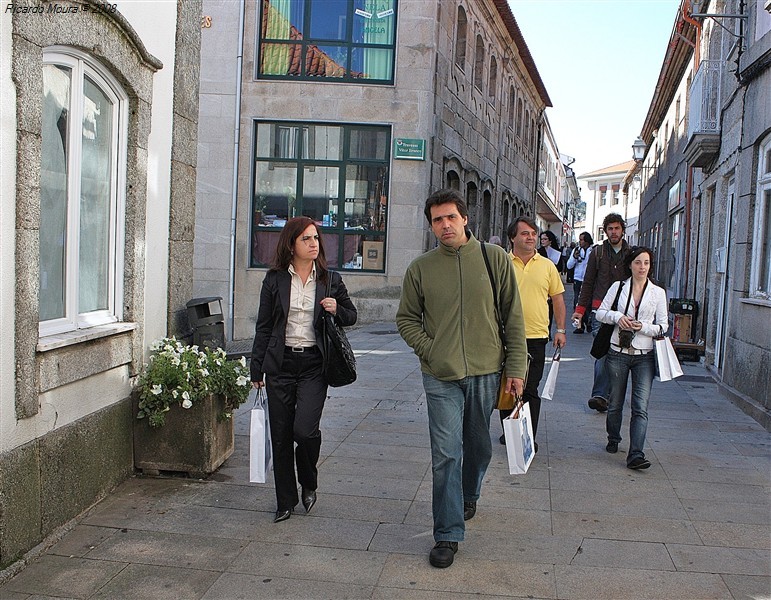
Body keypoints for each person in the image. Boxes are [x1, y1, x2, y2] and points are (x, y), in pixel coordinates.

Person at [396, 189, 527, 569]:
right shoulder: (421, 268)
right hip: (441, 375)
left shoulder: (494, 258)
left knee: (479, 445)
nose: (445, 225)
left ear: (465, 218)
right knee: (446, 453)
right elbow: (406, 319)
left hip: (487, 370)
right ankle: (448, 533)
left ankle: (470, 492)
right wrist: (431, 350)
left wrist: (516, 369)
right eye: (437, 220)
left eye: (451, 217)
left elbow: (513, 317)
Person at [250, 216, 357, 523]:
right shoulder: (274, 280)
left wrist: (336, 309)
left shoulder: (329, 279)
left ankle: (308, 481)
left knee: (304, 431)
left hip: (313, 364)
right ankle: (285, 501)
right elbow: (264, 325)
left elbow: (351, 315)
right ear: (291, 244)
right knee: (281, 435)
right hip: (280, 364)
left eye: (315, 238)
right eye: (306, 239)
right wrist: (257, 369)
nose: (314, 244)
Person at [595, 247, 668, 469]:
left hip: (643, 356)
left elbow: (663, 326)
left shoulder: (658, 293)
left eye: (646, 263)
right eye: (638, 262)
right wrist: (618, 317)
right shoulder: (618, 287)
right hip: (617, 352)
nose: (642, 267)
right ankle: (613, 437)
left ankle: (636, 454)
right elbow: (599, 313)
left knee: (640, 406)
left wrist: (643, 327)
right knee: (615, 402)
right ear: (630, 265)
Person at [498, 217, 566, 450]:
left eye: (533, 234)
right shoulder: (503, 263)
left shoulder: (547, 266)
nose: (530, 237)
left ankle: (528, 437)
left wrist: (561, 329)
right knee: (508, 387)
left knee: (530, 389)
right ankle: (510, 432)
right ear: (512, 238)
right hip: (506, 336)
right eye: (525, 233)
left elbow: (557, 299)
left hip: (536, 336)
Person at [571, 214, 632, 412]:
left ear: (623, 229)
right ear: (605, 231)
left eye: (617, 228)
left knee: (619, 355)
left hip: (624, 311)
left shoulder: (632, 253)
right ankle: (599, 394)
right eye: (610, 229)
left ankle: (609, 395)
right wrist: (580, 311)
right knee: (603, 352)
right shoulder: (597, 253)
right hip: (600, 310)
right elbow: (588, 283)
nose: (614, 232)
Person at [566, 232, 593, 333]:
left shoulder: (593, 251)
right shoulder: (576, 250)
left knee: (588, 304)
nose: (580, 242)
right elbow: (569, 266)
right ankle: (579, 326)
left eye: (581, 240)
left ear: (587, 240)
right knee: (577, 303)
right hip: (578, 280)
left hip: (588, 281)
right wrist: (574, 257)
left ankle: (588, 322)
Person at [538, 230, 563, 336]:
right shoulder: (539, 252)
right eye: (541, 239)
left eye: (545, 239)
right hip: (541, 280)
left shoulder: (557, 253)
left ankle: (548, 330)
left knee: (552, 307)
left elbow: (561, 267)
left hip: (553, 281)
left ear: (550, 241)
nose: (542, 241)